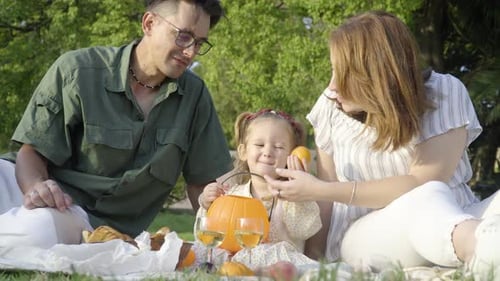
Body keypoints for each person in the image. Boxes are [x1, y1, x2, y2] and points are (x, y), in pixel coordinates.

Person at [264, 10, 500, 279]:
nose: (331, 87)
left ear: (375, 76)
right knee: (425, 197)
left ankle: (481, 240)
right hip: (364, 236)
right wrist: (314, 260)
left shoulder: (445, 92)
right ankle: (478, 249)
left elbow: (422, 179)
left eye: (341, 74)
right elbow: (327, 199)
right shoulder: (328, 109)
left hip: (457, 216)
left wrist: (324, 189)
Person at [0, 0, 233, 249]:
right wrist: (36, 186)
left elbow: (203, 186)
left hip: (77, 216)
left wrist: (224, 233)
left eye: (199, 43)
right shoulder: (78, 70)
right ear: (149, 23)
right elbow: (32, 151)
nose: (190, 52)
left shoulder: (194, 98)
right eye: (184, 37)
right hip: (22, 183)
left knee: (38, 230)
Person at [195, 109, 322, 268]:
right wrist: (207, 204)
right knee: (202, 251)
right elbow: (206, 235)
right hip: (234, 267)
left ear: (291, 155)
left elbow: (306, 229)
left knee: (268, 253)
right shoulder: (231, 194)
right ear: (243, 152)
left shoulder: (291, 197)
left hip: (277, 269)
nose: (268, 152)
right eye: (260, 145)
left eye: (279, 147)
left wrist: (299, 194)